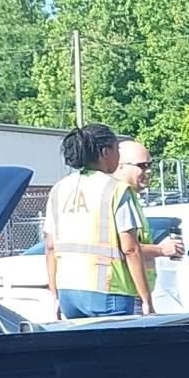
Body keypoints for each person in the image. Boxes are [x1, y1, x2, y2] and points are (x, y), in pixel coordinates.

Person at [42, 124, 148, 318]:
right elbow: (131, 249)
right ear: (105, 152)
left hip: (68, 291)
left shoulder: (59, 188)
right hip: (108, 290)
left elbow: (50, 246)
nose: (119, 156)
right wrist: (146, 299)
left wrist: (54, 294)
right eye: (117, 150)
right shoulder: (116, 189)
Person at [114, 139, 187, 310]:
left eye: (149, 165)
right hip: (124, 292)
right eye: (142, 165)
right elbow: (126, 248)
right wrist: (161, 250)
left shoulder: (130, 196)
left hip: (129, 291)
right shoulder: (119, 196)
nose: (149, 171)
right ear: (120, 166)